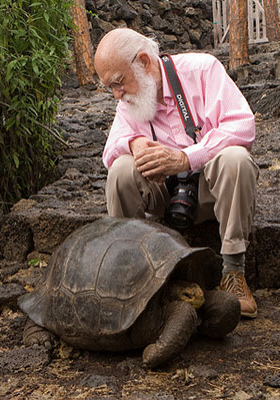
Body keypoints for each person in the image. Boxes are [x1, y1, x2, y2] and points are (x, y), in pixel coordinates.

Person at [94, 28, 260, 318]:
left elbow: (242, 125)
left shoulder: (202, 70)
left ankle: (233, 272)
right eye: (111, 88)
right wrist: (133, 143)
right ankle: (134, 276)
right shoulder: (128, 102)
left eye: (119, 83)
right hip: (164, 196)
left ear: (144, 62)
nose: (117, 95)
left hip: (211, 192)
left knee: (236, 158)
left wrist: (185, 158)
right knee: (121, 169)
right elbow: (109, 154)